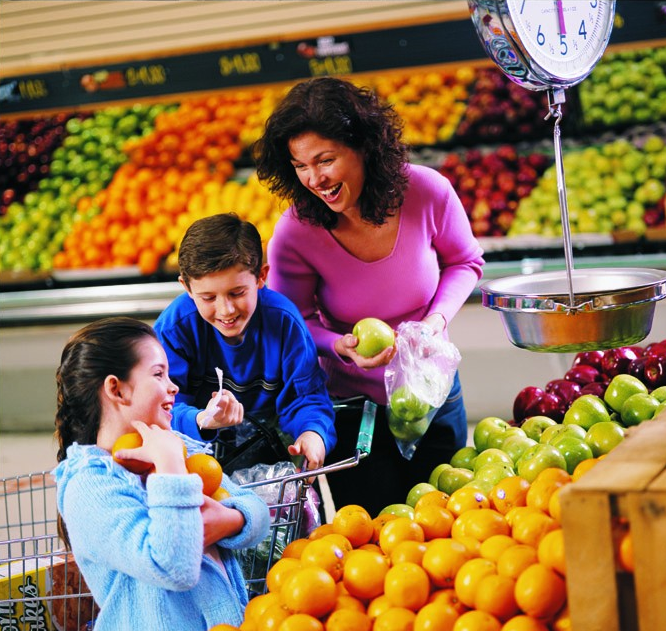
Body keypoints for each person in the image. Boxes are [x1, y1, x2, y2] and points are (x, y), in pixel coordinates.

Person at [253, 77, 485, 516]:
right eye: (300, 166)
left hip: (432, 391)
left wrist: (434, 323)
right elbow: (292, 320)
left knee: (452, 522)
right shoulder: (295, 231)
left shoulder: (426, 191)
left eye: (325, 160)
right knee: (372, 534)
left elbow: (465, 262)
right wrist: (337, 346)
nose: (314, 179)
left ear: (363, 146)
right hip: (353, 409)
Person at [53, 317, 270, 631]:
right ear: (116, 389)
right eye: (158, 374)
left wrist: (231, 519)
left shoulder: (177, 448)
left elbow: (259, 514)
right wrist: (169, 468)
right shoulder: (90, 486)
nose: (174, 386)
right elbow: (172, 567)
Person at [153, 213, 337, 473]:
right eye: (208, 298)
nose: (226, 310)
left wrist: (312, 434)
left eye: (237, 293)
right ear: (186, 287)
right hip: (193, 466)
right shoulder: (174, 329)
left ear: (261, 277)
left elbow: (306, 397)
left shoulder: (284, 323)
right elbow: (159, 405)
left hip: (273, 462)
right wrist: (201, 419)